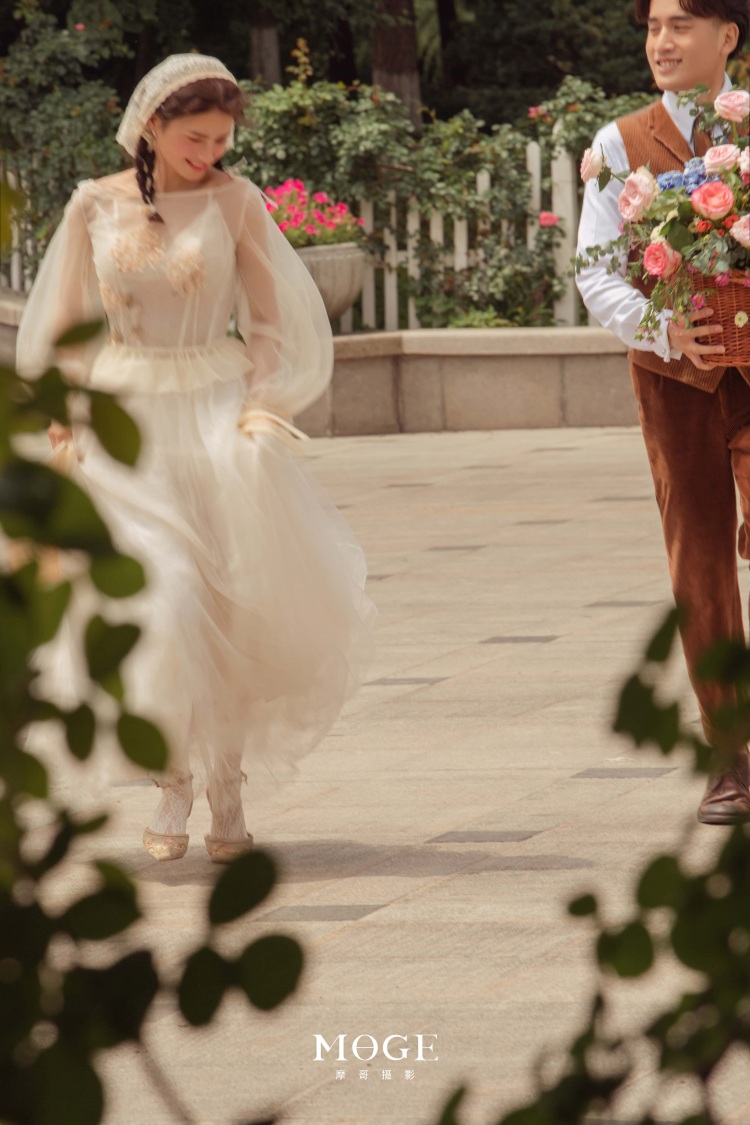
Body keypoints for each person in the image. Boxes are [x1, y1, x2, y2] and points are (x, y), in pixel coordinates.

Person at [15, 54, 375, 861]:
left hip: (215, 412)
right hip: (123, 419)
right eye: (195, 138)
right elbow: (64, 324)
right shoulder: (91, 204)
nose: (209, 153)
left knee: (233, 607)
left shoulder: (235, 200)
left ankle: (228, 784)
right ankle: (172, 777)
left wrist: (262, 404)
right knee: (162, 595)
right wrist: (63, 416)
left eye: (220, 140)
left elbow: (268, 321)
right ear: (152, 126)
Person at [576, 0, 750, 824]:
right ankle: (729, 754)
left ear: (728, 37)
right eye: (653, 26)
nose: (662, 42)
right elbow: (596, 268)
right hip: (673, 381)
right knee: (699, 562)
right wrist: (662, 327)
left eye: (680, 24)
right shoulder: (619, 145)